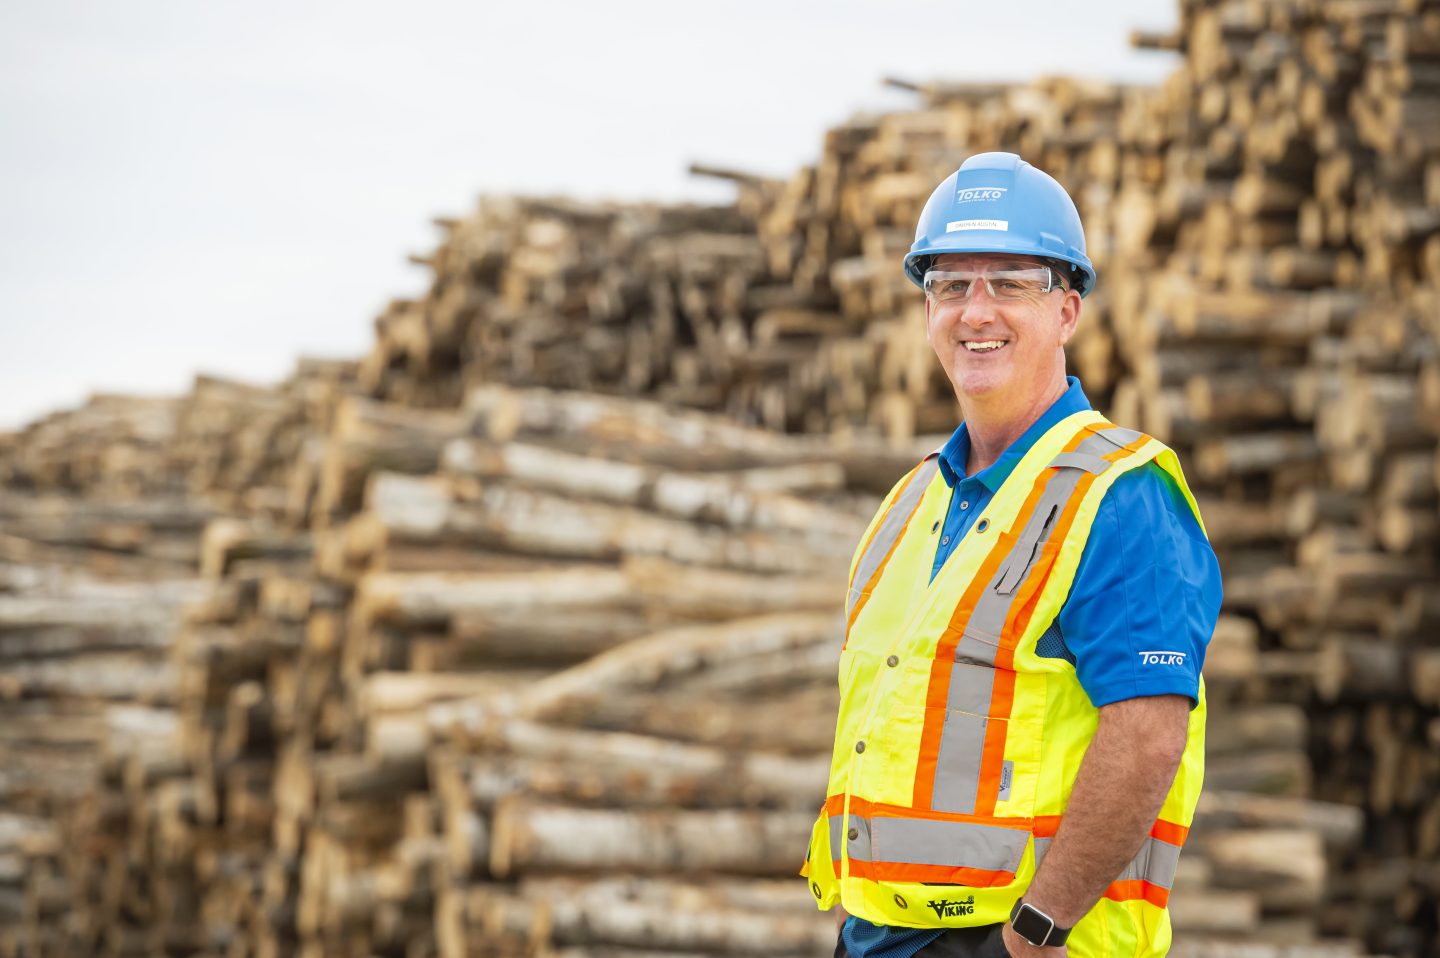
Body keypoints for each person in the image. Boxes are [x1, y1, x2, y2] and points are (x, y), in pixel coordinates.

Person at [801, 152, 1221, 958]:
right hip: (879, 938)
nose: (974, 310)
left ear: (1067, 309)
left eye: (1010, 282)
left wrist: (1035, 930)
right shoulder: (913, 501)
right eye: (951, 285)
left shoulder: (1119, 492)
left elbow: (1149, 732)